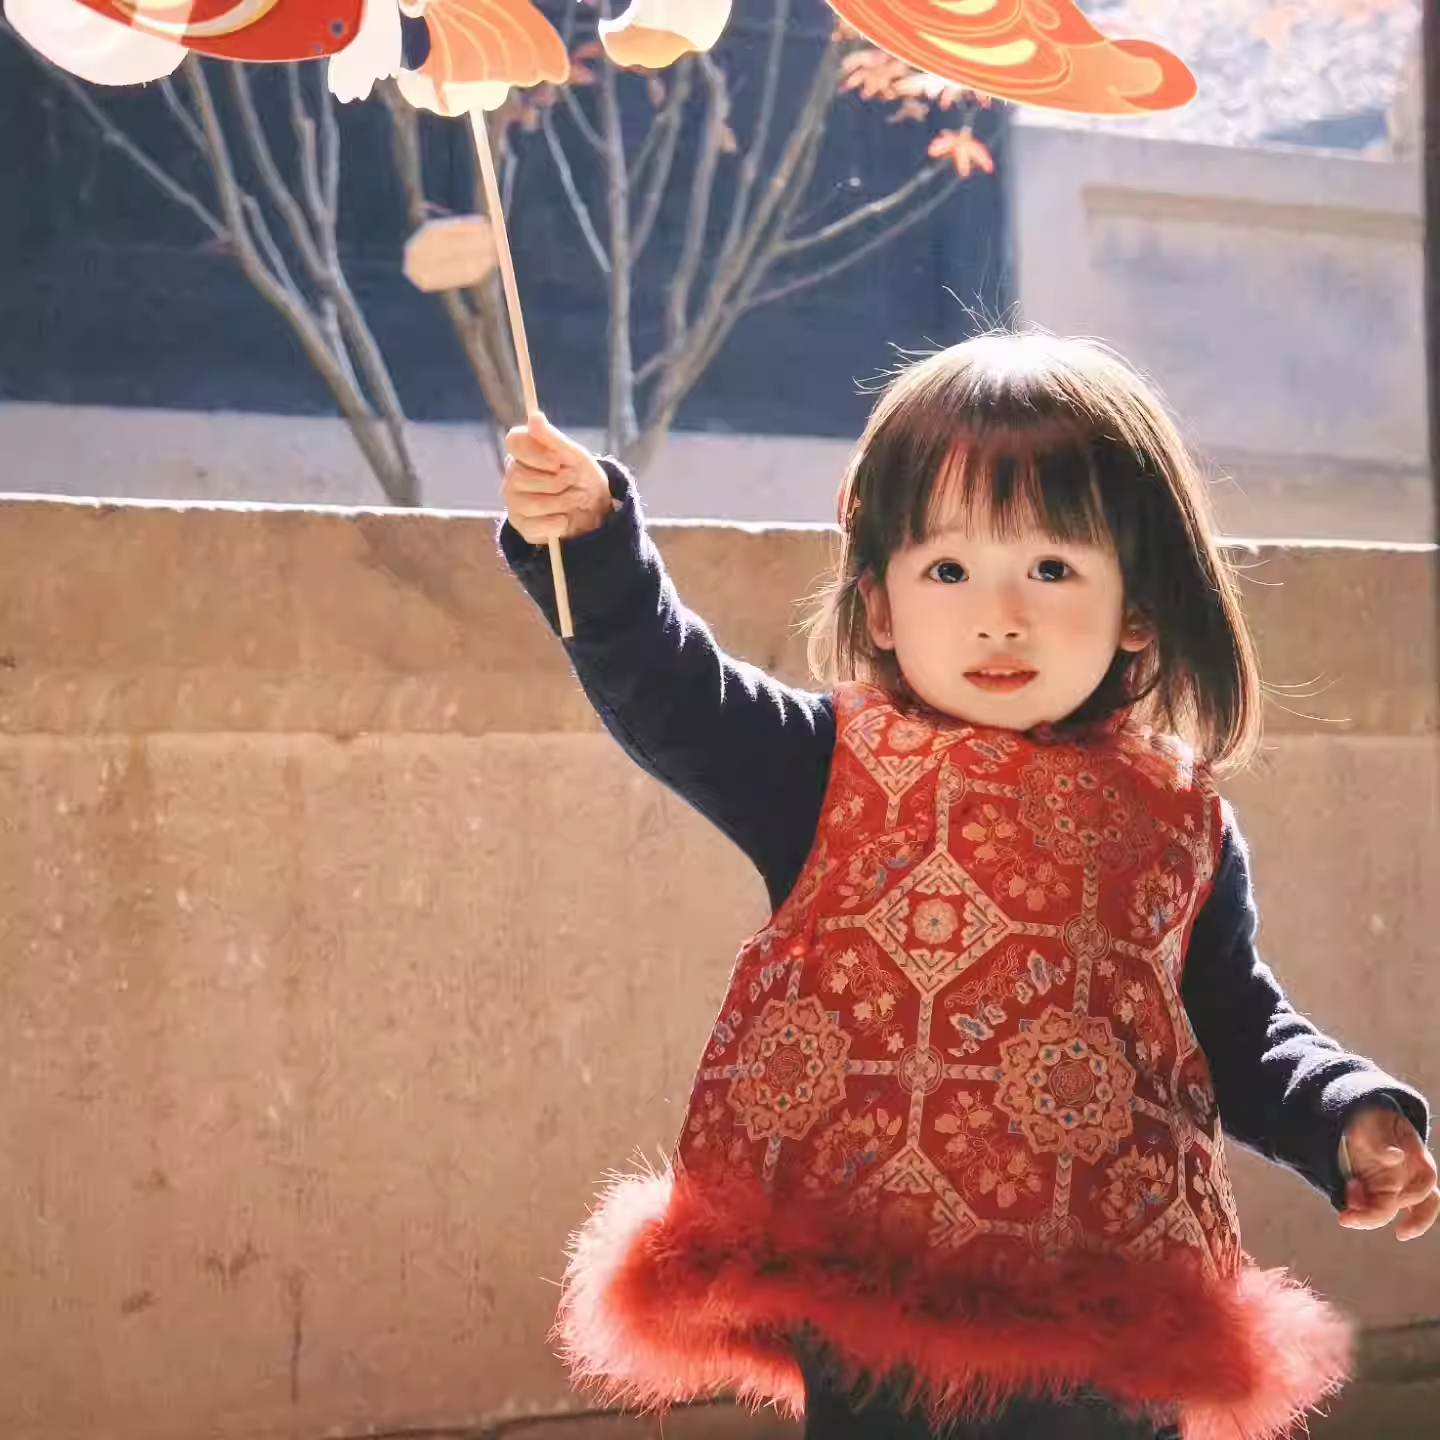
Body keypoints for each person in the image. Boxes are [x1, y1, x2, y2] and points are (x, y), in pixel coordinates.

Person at [498, 333, 1437, 1440]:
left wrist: (1346, 1113)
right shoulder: (821, 767)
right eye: (948, 569)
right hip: (874, 1297)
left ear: (1139, 606)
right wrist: (595, 543)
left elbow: (1236, 1023)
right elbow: (669, 690)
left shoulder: (1179, 820)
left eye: (1051, 568)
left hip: (1106, 1308)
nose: (1000, 614)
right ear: (881, 607)